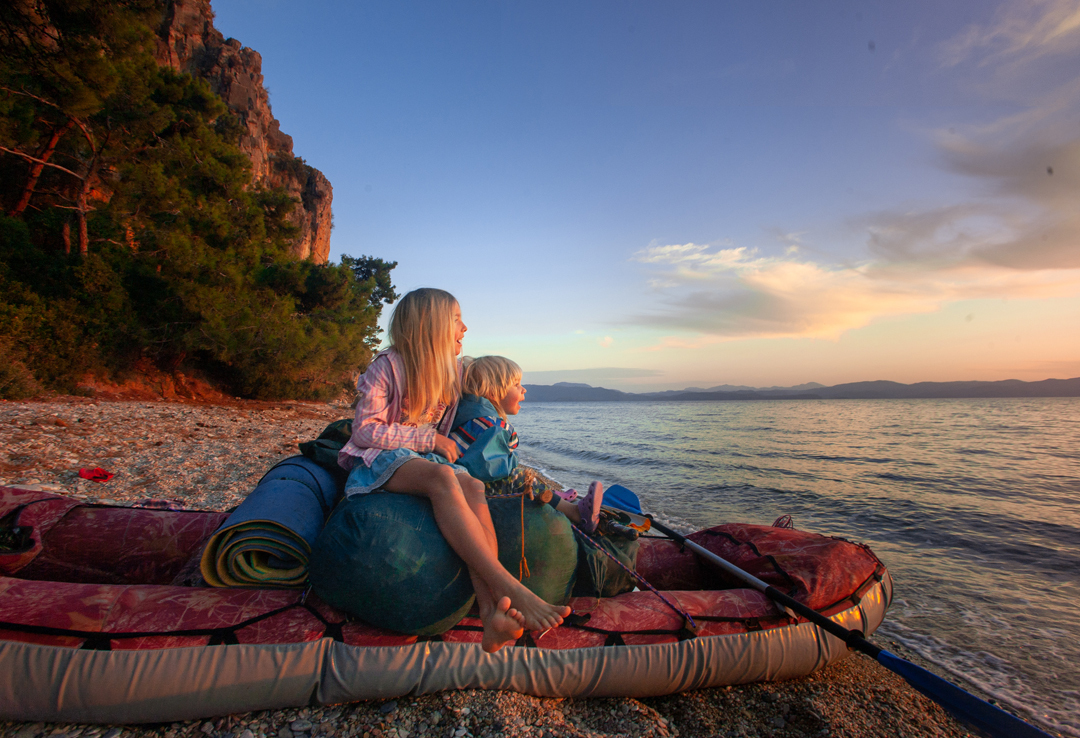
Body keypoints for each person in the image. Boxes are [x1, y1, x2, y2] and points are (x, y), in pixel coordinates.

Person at [336, 288, 570, 653]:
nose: (465, 327)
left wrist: (504, 397)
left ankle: (492, 611)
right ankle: (508, 585)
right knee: (444, 477)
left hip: (427, 460)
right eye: (456, 319)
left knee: (473, 487)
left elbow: (487, 377)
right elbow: (364, 430)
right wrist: (428, 441)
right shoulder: (388, 366)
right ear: (430, 326)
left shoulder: (453, 371)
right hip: (380, 460)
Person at [449, 355, 604, 532]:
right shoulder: (491, 425)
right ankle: (576, 513)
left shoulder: (470, 416)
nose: (523, 390)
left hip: (460, 482)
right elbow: (488, 467)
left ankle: (559, 503)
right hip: (471, 490)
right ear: (493, 392)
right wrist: (513, 459)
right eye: (516, 385)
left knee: (526, 477)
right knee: (523, 478)